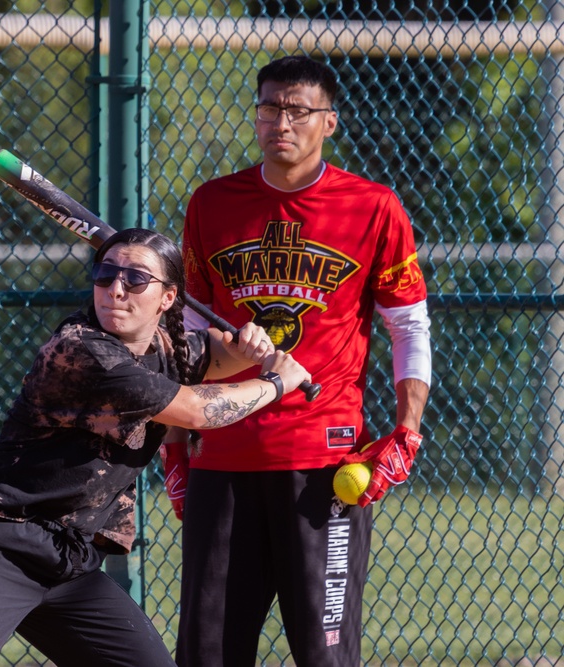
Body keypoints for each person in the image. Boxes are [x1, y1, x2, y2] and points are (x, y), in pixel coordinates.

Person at [0, 227, 311, 667]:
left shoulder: (163, 348)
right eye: (105, 274)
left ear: (168, 298)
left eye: (135, 279)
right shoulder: (81, 350)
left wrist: (249, 347)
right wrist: (274, 382)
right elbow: (194, 410)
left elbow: (211, 353)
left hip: (68, 561)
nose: (116, 289)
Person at [165, 55, 431, 667]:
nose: (280, 121)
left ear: (329, 122)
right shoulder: (211, 203)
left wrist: (407, 432)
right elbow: (187, 333)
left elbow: (408, 325)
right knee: (207, 654)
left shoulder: (373, 207)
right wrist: (175, 444)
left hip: (324, 465)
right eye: (268, 108)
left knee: (324, 655)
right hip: (223, 454)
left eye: (298, 109)